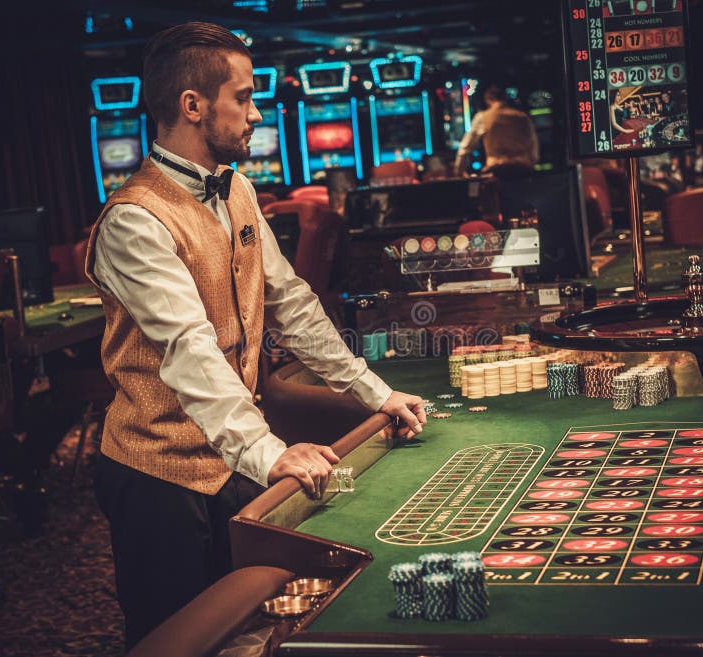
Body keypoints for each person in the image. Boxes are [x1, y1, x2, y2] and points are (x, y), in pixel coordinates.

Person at [84, 22, 426, 650]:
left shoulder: (237, 187)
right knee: (174, 636)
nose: (256, 112)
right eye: (242, 97)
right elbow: (191, 350)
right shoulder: (133, 222)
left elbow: (292, 302)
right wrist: (271, 454)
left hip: (229, 457)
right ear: (194, 106)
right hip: (156, 475)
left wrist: (374, 394)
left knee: (247, 630)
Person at [453, 84, 539, 178]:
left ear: (488, 101)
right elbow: (533, 146)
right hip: (523, 169)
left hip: (497, 170)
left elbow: (465, 147)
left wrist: (459, 171)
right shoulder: (522, 117)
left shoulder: (483, 117)